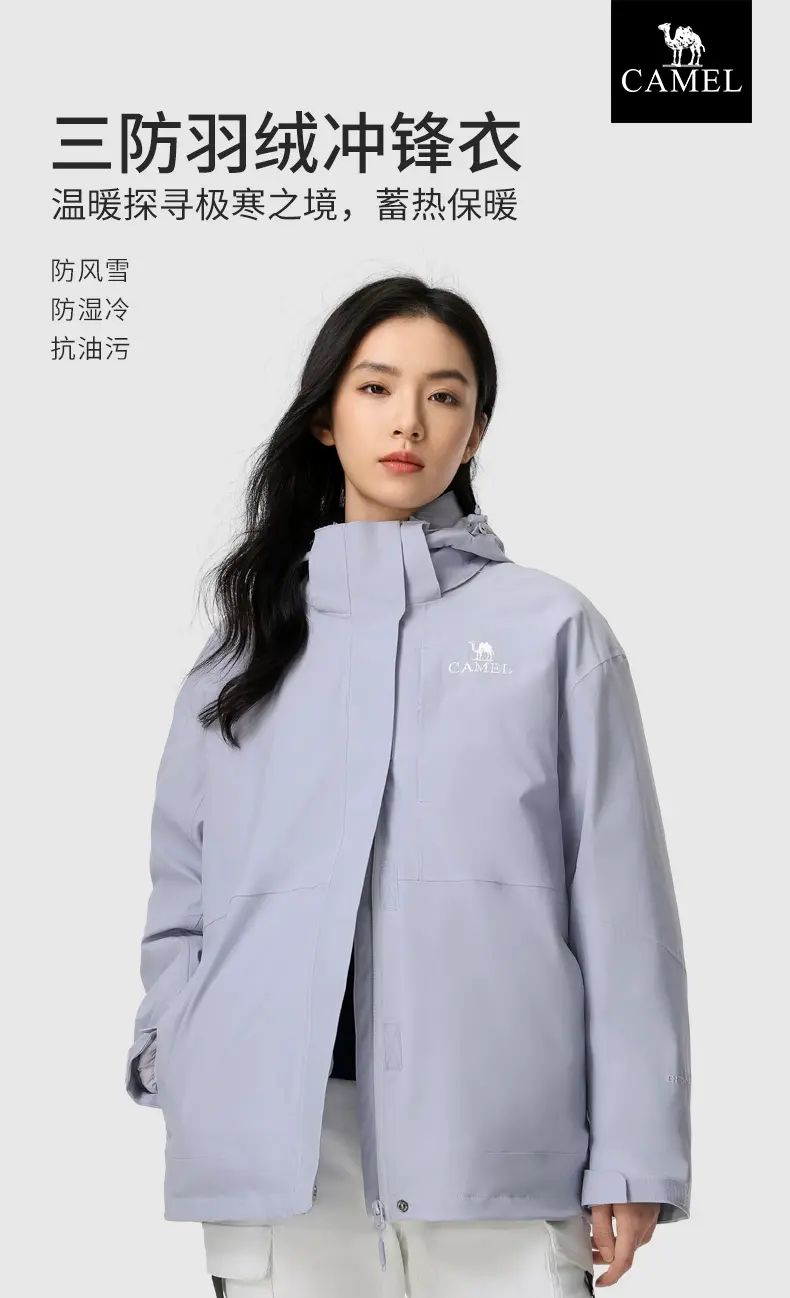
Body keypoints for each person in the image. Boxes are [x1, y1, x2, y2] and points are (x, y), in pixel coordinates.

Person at [125, 275, 692, 1296]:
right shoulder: (242, 655)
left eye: (444, 395)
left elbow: (621, 910)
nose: (408, 422)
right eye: (377, 387)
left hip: (499, 1148)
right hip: (277, 1158)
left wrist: (633, 1152)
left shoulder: (551, 633)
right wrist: (181, 1053)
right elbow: (183, 896)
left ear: (475, 433)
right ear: (325, 418)